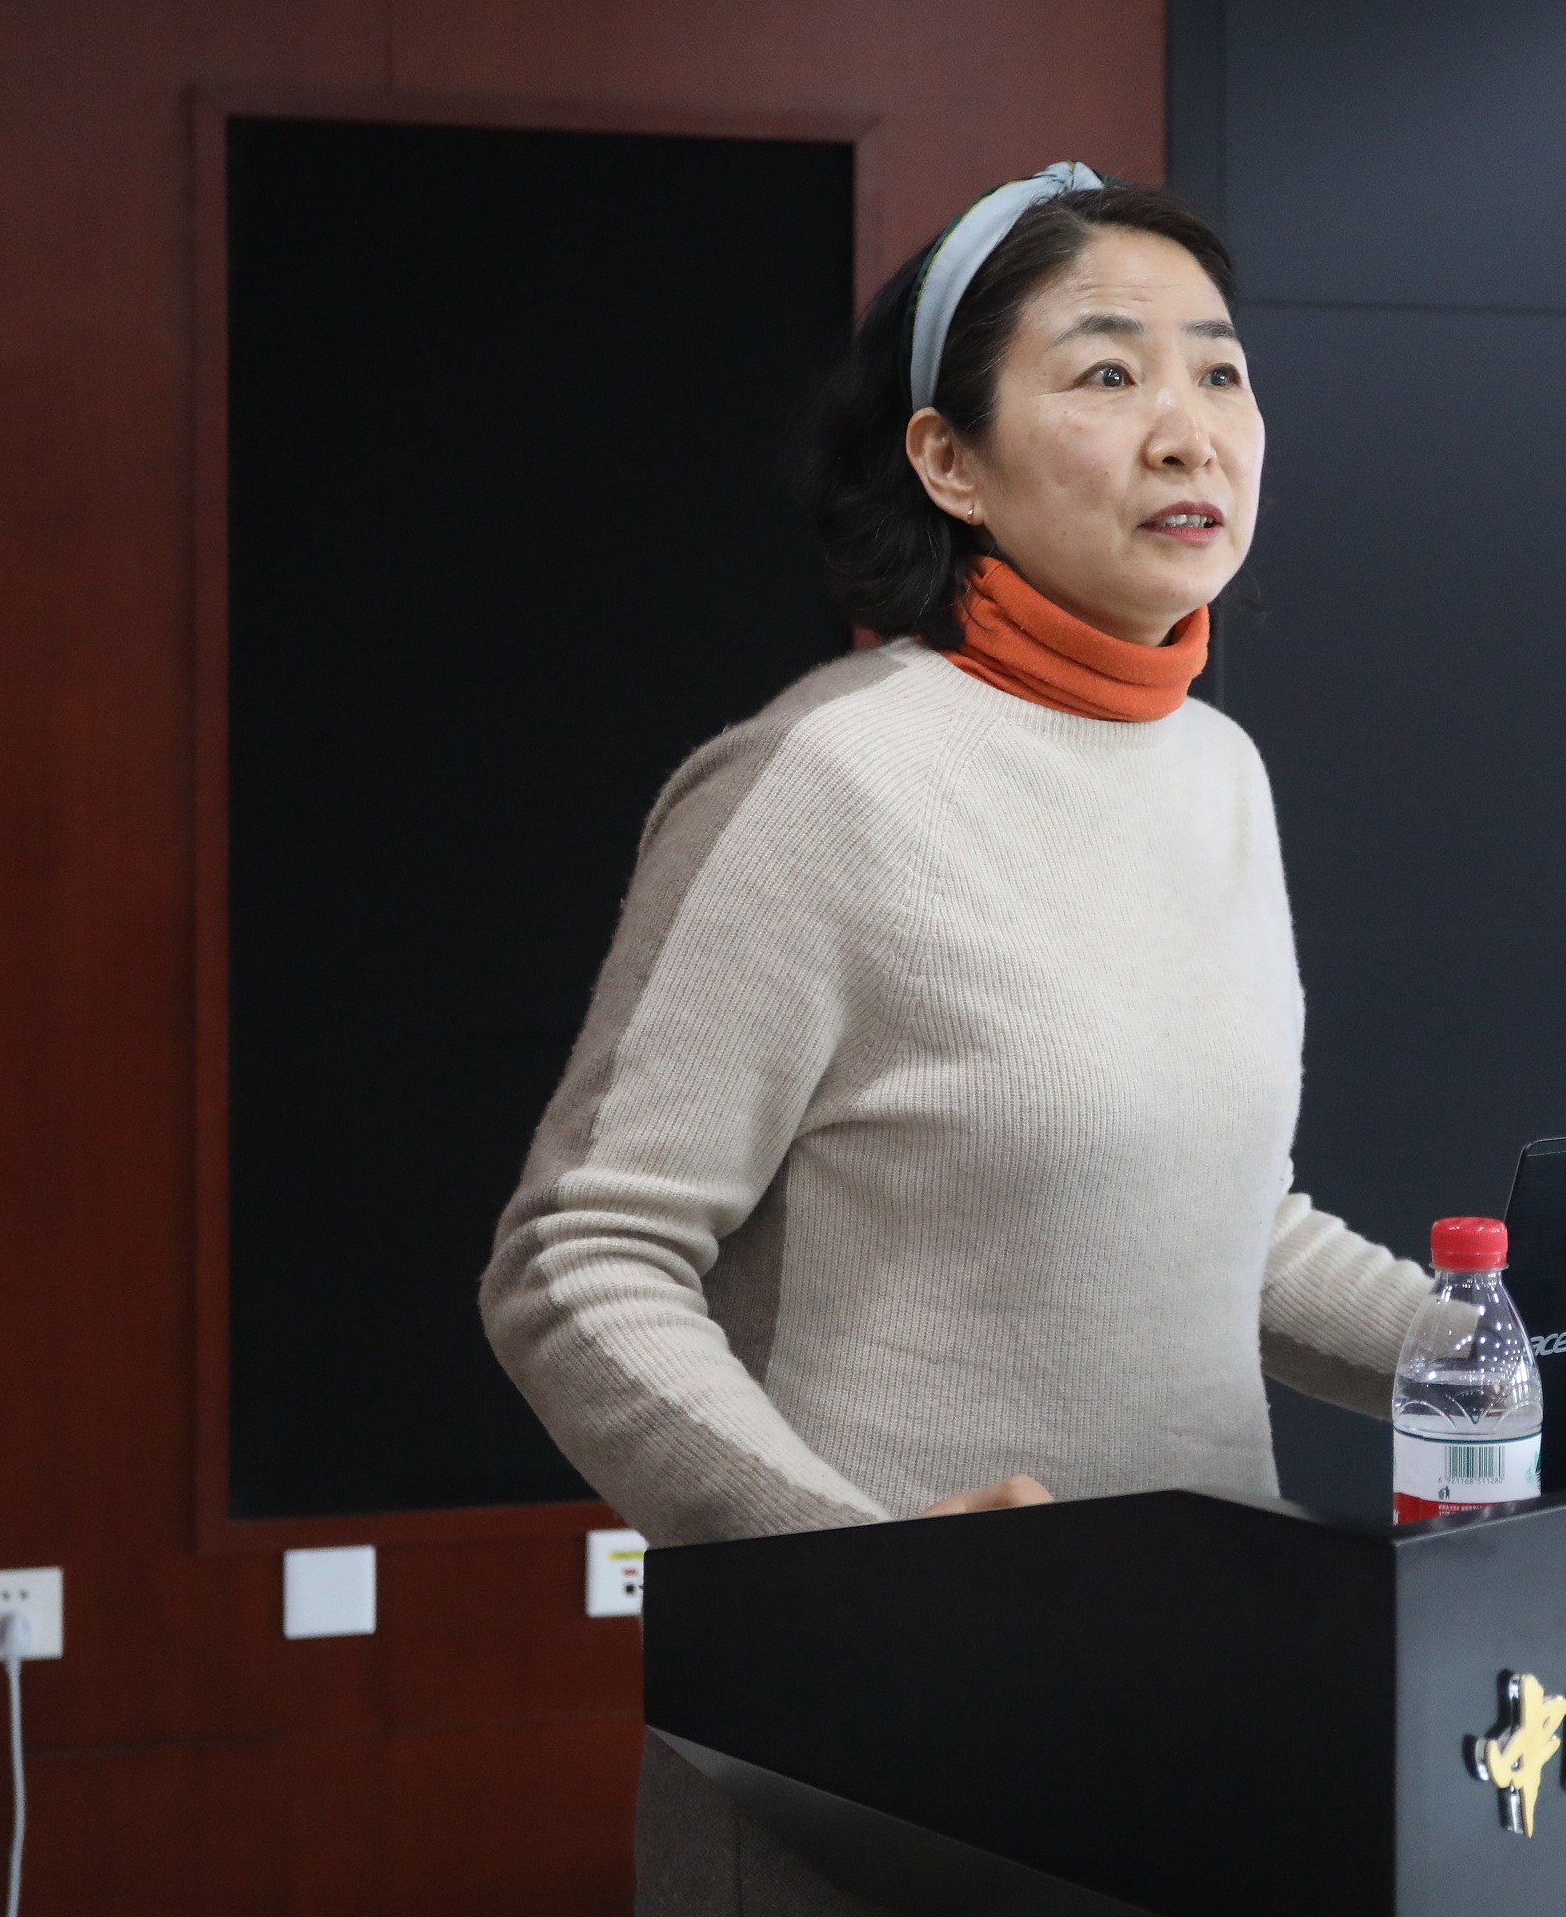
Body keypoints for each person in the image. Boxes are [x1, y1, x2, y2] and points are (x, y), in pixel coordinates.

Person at [479, 164, 1434, 1916]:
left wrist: (1506, 1359)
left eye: (1221, 372)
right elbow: (575, 1262)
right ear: (948, 462)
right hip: (886, 1748)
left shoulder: (1218, 773)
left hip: (1207, 1697)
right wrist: (857, 1579)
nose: (1189, 429)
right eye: (1107, 372)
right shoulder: (828, 776)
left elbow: (1229, 1220)